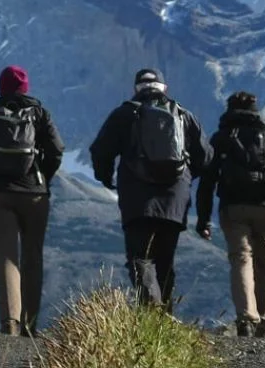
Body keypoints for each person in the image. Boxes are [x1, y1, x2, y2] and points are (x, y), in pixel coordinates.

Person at [89, 68, 209, 314]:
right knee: (166, 259)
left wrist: (105, 177)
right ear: (164, 88)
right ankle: (165, 316)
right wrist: (186, 178)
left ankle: (151, 310)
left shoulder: (124, 114)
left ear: (137, 89)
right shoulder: (184, 116)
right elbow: (205, 157)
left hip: (137, 196)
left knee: (140, 257)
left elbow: (100, 150)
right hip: (174, 198)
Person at [196, 91, 265, 338]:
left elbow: (207, 182)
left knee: (241, 259)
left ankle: (246, 317)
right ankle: (263, 324)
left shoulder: (222, 137)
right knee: (264, 263)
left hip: (233, 208)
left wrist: (203, 219)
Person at [0, 65, 65, 337]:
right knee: (33, 256)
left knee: (6, 256)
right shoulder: (40, 114)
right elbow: (57, 150)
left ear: (0, 87)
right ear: (26, 88)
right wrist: (42, 178)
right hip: (34, 194)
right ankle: (30, 324)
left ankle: (9, 324)